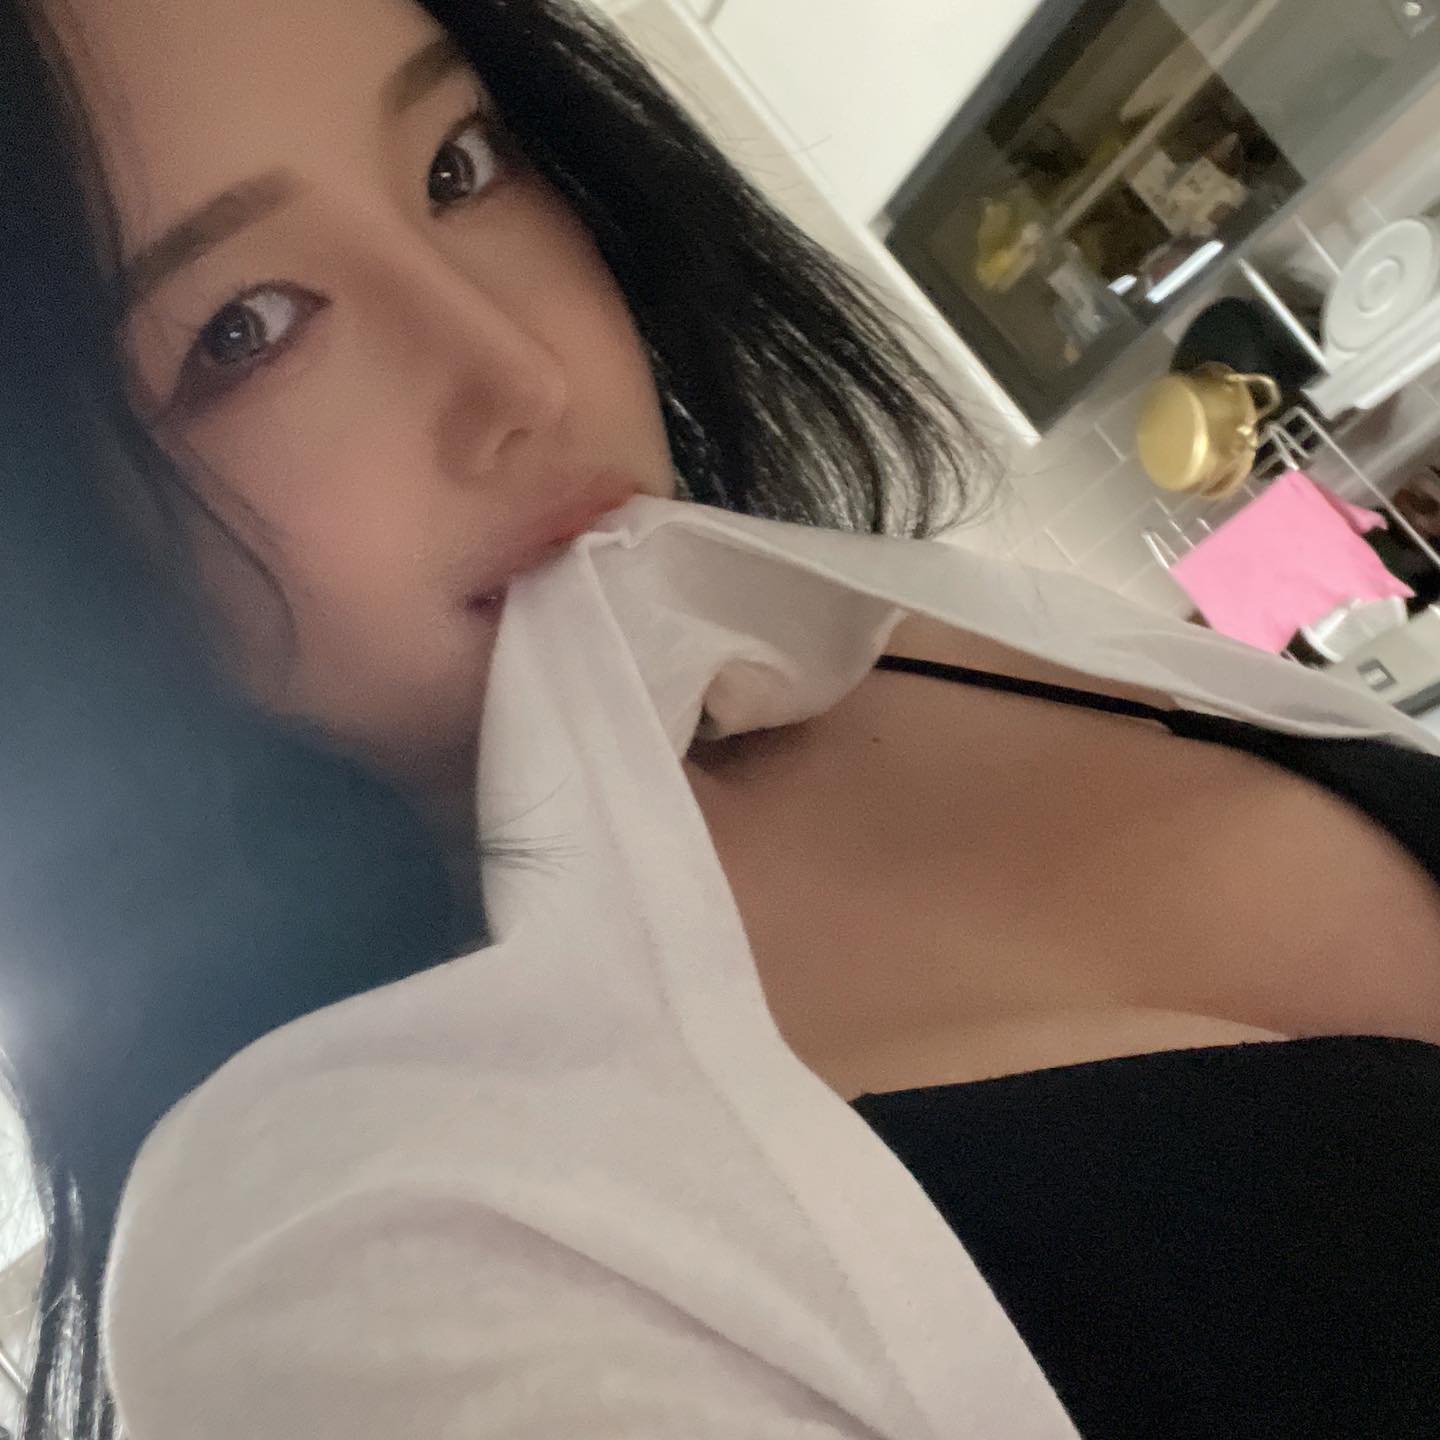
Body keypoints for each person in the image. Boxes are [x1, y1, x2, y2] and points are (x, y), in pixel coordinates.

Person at [2, 0, 1437, 1436]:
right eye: (243, 332)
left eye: (458, 165)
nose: (521, 372)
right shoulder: (328, 1269)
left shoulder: (879, 634)